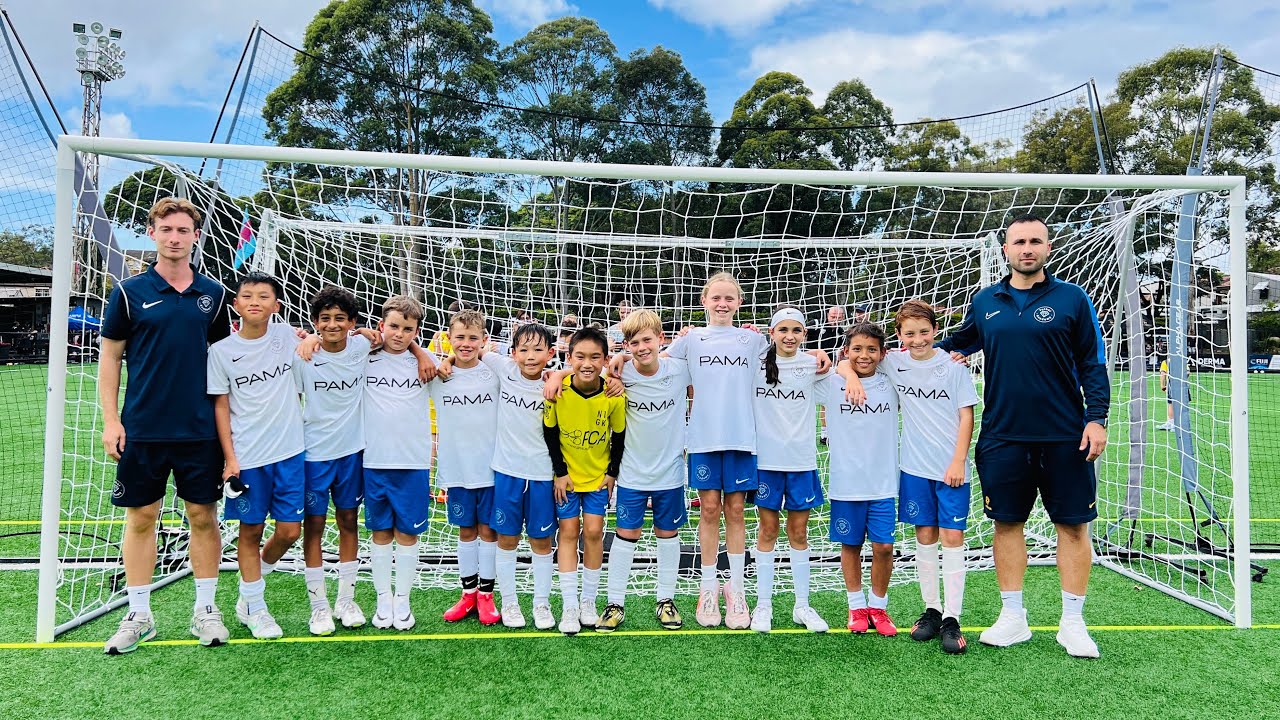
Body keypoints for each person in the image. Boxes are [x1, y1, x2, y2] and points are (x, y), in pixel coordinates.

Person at [608, 273, 830, 630]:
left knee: (737, 511)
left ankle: (736, 588)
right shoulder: (690, 340)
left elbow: (789, 351)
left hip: (743, 439)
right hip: (703, 439)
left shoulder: (753, 340)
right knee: (709, 510)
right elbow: (651, 358)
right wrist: (618, 357)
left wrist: (819, 353)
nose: (723, 304)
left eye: (730, 298)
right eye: (716, 298)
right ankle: (708, 588)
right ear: (704, 301)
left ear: (739, 303)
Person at [938, 213, 1110, 659]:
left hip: (1065, 435)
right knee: (1006, 523)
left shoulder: (1072, 299)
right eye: (1019, 242)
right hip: (1002, 435)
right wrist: (875, 358)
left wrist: (1097, 419)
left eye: (1036, 241)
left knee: (1072, 525)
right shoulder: (985, 301)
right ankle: (1013, 616)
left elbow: (1093, 363)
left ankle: (1072, 621)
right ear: (1006, 250)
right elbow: (954, 344)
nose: (1027, 248)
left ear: (1048, 248)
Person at [99, 197, 232, 654]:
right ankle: (138, 614)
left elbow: (227, 358)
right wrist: (111, 419)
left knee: (202, 516)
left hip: (200, 430)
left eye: (183, 230)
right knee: (142, 518)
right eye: (166, 229)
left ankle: (205, 610)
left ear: (196, 236)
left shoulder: (213, 295)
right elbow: (111, 358)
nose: (174, 237)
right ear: (152, 232)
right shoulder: (129, 292)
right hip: (143, 429)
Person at [839, 298, 978, 654]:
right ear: (899, 337)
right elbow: (847, 360)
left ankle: (952, 617)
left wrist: (959, 460)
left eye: (924, 332)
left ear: (935, 331)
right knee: (926, 536)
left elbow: (966, 416)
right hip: (914, 469)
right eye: (910, 333)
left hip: (951, 468)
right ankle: (931, 611)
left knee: (952, 537)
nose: (918, 339)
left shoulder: (953, 366)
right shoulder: (893, 363)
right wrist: (850, 373)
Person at [440, 323, 559, 630]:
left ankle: (541, 604)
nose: (530, 356)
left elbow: (586, 372)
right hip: (506, 472)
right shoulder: (502, 368)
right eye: (523, 350)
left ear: (551, 353)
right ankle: (508, 602)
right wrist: (446, 360)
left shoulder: (560, 384)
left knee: (541, 541)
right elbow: (466, 353)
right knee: (506, 539)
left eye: (537, 350)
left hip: (544, 475)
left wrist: (560, 374)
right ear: (512, 352)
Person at [207, 272, 305, 640]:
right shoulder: (221, 352)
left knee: (289, 531)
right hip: (248, 457)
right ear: (236, 305)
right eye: (247, 295)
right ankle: (254, 606)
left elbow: (323, 341)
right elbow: (221, 407)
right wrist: (230, 459)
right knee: (250, 530)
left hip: (291, 453)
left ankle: (253, 581)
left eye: (264, 296)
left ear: (275, 306)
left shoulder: (286, 337)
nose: (255, 301)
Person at [292, 286, 380, 635]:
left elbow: (379, 336)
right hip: (314, 455)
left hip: (352, 453)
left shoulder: (360, 345)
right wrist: (304, 340)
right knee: (312, 528)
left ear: (351, 323)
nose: (332, 325)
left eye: (340, 319)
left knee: (348, 522)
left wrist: (365, 332)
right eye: (325, 319)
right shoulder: (303, 357)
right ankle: (319, 607)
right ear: (315, 323)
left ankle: (346, 600)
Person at [600, 309, 690, 631]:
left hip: (670, 473)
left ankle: (665, 600)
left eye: (647, 339)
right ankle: (615, 603)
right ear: (626, 345)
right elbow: (578, 370)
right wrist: (616, 365)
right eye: (633, 342)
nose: (641, 347)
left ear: (660, 339)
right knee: (626, 536)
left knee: (668, 535)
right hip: (631, 474)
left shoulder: (680, 371)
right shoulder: (619, 376)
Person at [750, 306, 830, 634]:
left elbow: (846, 372)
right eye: (782, 330)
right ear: (772, 334)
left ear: (805, 336)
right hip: (765, 464)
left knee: (799, 533)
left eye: (796, 331)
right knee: (768, 531)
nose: (789, 336)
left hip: (801, 463)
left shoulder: (813, 365)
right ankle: (763, 604)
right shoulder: (753, 365)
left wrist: (837, 363)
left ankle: (802, 605)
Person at [543, 326, 626, 635]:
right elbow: (550, 433)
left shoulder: (613, 394)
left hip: (597, 478)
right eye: (580, 357)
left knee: (593, 532)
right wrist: (560, 473)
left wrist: (612, 473)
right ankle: (569, 604)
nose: (587, 363)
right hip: (567, 478)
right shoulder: (559, 389)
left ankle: (588, 600)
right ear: (569, 357)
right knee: (568, 531)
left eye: (595, 357)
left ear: (605, 359)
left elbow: (619, 436)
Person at [819, 322, 899, 636]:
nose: (863, 355)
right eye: (856, 349)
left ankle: (878, 608)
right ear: (846, 351)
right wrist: (847, 373)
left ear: (882, 354)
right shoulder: (831, 383)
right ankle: (856, 607)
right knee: (850, 545)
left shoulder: (891, 382)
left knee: (883, 547)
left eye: (871, 349)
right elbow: (812, 363)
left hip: (882, 484)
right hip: (846, 483)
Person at [362, 295, 436, 631]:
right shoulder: (363, 356)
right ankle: (382, 599)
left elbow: (468, 365)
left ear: (416, 331)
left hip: (413, 462)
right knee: (380, 533)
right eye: (393, 326)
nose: (399, 334)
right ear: (382, 326)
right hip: (373, 460)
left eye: (408, 329)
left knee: (407, 534)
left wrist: (420, 352)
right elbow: (341, 339)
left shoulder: (426, 362)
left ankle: (403, 601)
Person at [432, 309, 503, 626]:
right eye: (459, 337)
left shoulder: (494, 372)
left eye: (473, 337)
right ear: (449, 338)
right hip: (456, 469)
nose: (466, 343)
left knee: (488, 531)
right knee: (466, 531)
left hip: (490, 468)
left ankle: (487, 596)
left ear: (484, 340)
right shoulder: (437, 374)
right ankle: (468, 594)